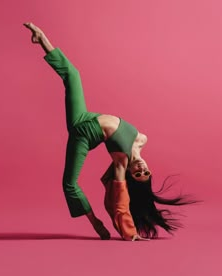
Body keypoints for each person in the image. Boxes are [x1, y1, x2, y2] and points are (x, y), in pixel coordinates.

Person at [24, 23, 197, 241]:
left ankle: (95, 222)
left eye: (137, 175)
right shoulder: (142, 140)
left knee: (69, 184)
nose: (141, 170)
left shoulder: (121, 162)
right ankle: (41, 38)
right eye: (146, 173)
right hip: (86, 117)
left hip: (83, 133)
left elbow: (120, 202)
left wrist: (129, 232)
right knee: (73, 74)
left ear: (130, 175)